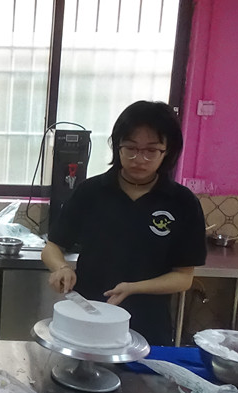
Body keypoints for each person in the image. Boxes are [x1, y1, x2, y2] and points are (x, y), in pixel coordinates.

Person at [41, 101, 206, 345]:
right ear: (117, 146)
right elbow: (52, 247)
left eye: (151, 151)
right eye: (130, 148)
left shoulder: (182, 202)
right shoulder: (91, 192)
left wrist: (134, 287)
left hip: (149, 325)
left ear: (167, 151)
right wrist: (61, 268)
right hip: (88, 320)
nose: (139, 159)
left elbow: (183, 277)